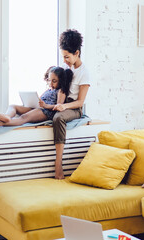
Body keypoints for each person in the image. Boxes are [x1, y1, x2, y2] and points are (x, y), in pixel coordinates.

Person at [53, 29, 91, 180]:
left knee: (58, 118)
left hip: (75, 108)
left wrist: (64, 107)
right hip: (64, 105)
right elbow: (62, 90)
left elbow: (80, 101)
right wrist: (58, 104)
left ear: (76, 53)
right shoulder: (67, 69)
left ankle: (58, 164)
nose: (65, 60)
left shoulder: (84, 73)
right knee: (43, 110)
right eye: (63, 57)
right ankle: (9, 120)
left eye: (67, 57)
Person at [0, 66, 73, 128]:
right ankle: (7, 116)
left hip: (47, 112)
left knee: (24, 117)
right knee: (13, 106)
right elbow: (40, 100)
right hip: (38, 108)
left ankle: (0, 123)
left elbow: (59, 106)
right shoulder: (48, 90)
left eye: (54, 81)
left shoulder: (61, 91)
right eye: (49, 80)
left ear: (61, 81)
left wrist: (45, 106)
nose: (51, 84)